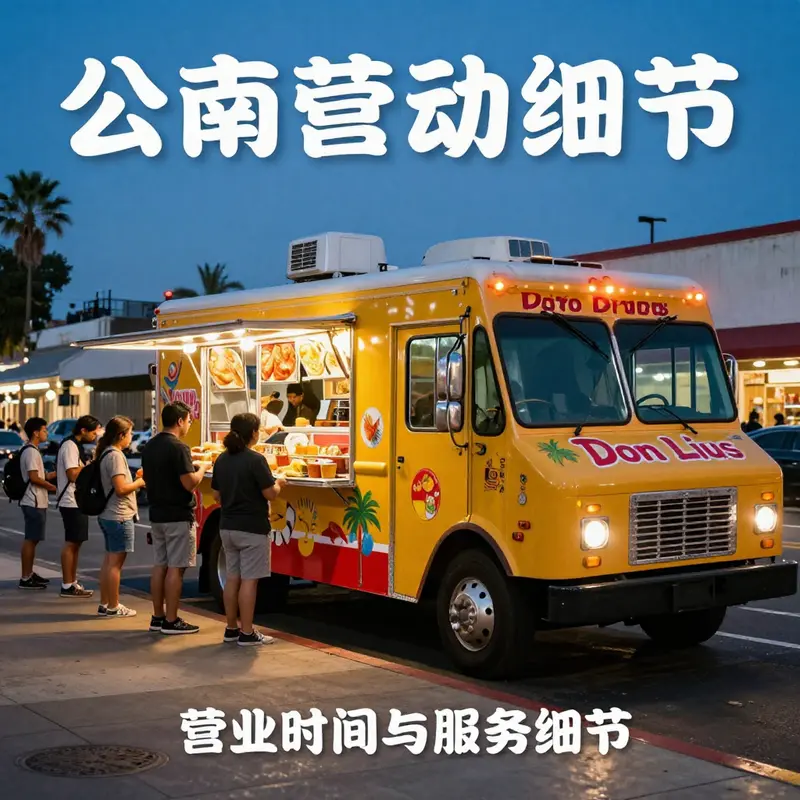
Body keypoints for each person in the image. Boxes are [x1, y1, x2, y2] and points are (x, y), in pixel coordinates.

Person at [211, 412, 285, 646]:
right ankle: (247, 632)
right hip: (252, 529)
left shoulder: (221, 459)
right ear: (254, 433)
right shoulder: (255, 460)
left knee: (233, 578)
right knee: (250, 581)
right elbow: (270, 493)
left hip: (227, 528)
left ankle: (231, 629)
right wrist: (280, 483)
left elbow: (215, 494)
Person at [142, 401, 204, 635]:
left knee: (161, 565)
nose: (189, 425)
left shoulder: (150, 446)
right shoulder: (179, 448)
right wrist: (203, 467)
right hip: (178, 515)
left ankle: (158, 616)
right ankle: (171, 620)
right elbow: (189, 483)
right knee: (176, 569)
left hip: (157, 514)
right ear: (180, 421)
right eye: (188, 420)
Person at [96, 416, 146, 618]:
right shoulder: (115, 456)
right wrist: (140, 482)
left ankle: (105, 603)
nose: (131, 437)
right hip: (118, 515)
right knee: (115, 564)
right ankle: (114, 606)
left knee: (109, 561)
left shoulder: (105, 453)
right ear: (121, 435)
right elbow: (121, 488)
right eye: (130, 434)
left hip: (108, 513)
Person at [56, 415, 101, 598]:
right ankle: (67, 584)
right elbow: (73, 474)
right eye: (93, 432)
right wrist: (90, 466)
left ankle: (72, 581)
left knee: (77, 543)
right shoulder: (70, 446)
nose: (95, 436)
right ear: (83, 430)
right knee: (71, 542)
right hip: (70, 500)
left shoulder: (76, 446)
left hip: (76, 500)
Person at [18, 417, 56, 590]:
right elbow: (34, 478)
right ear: (36, 432)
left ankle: (29, 573)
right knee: (31, 539)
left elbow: (41, 475)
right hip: (33, 500)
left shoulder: (32, 450)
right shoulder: (31, 452)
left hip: (36, 500)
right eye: (44, 430)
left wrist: (56, 474)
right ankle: (26, 577)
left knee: (33, 539)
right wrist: (53, 488)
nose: (46, 433)